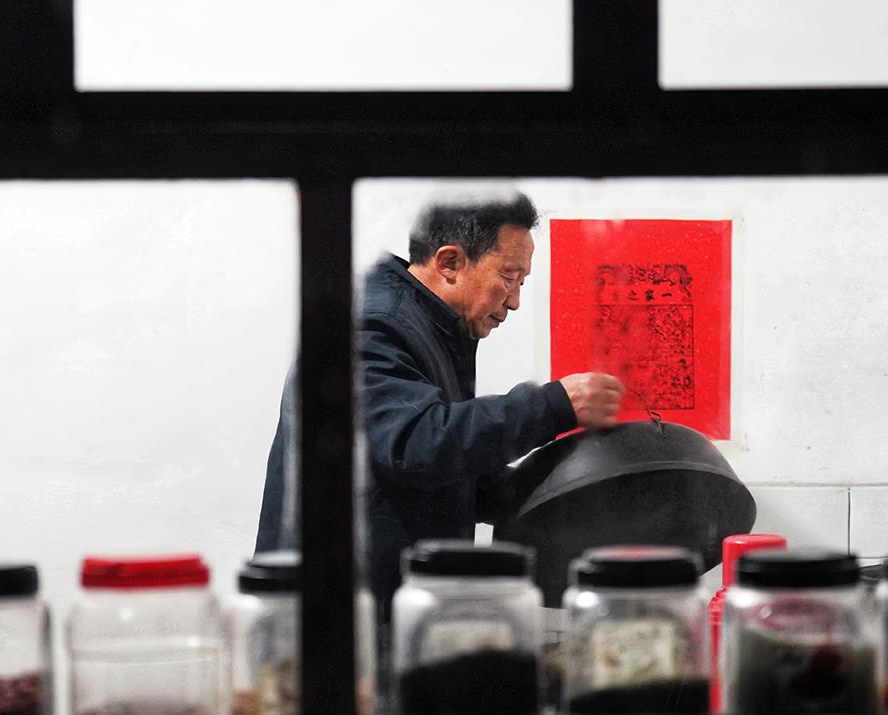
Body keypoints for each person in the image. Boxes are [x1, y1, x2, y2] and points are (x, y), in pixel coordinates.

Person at [255, 191, 624, 623]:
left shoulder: (432, 330)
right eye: (508, 277)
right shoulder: (370, 327)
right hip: (338, 616)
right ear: (450, 263)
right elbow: (417, 443)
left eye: (521, 283)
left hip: (385, 604)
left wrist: (554, 491)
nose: (514, 301)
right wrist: (554, 405)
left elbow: (444, 467)